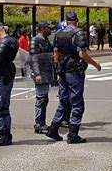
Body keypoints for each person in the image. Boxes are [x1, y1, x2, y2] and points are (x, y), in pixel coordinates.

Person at [46, 10, 102, 144]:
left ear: (66, 20)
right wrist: (95, 64)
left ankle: (54, 128)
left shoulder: (59, 34)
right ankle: (73, 133)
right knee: (77, 102)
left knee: (64, 100)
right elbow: (82, 54)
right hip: (74, 70)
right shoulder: (78, 33)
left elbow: (56, 54)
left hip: (63, 70)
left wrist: (58, 70)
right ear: (76, 20)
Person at [29, 21, 54, 134]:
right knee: (41, 98)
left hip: (47, 72)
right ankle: (39, 123)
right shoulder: (35, 40)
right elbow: (33, 58)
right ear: (42, 28)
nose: (50, 30)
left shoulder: (46, 40)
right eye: (48, 28)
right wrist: (37, 73)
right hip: (40, 73)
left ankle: (41, 122)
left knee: (44, 98)